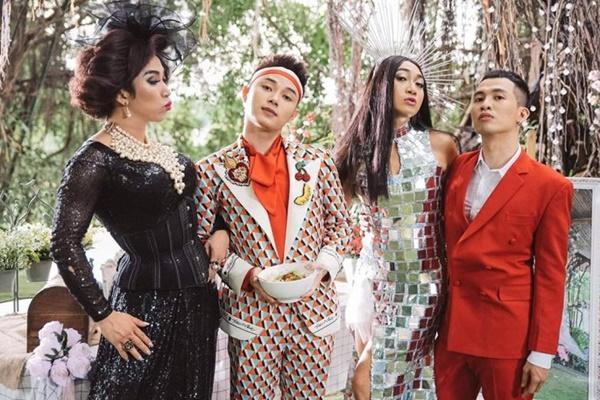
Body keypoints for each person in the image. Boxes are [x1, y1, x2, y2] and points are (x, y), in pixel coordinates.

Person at [50, 3, 228, 399]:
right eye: (153, 79)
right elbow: (63, 242)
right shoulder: (94, 160)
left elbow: (191, 209)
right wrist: (104, 315)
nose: (166, 89)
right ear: (122, 93)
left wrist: (219, 231)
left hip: (199, 306)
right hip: (146, 313)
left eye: (164, 78)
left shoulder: (159, 149)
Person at [195, 54, 351, 399]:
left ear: (293, 113)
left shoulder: (318, 163)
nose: (274, 99)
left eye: (286, 96)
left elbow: (342, 225)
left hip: (313, 312)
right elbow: (199, 245)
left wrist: (323, 267)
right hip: (251, 316)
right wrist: (246, 275)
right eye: (267, 88)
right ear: (245, 92)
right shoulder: (210, 170)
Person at [435, 69, 574, 400]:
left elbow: (551, 275)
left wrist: (542, 352)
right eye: (479, 97)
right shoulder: (456, 169)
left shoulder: (551, 186)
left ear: (521, 114)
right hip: (452, 331)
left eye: (498, 97)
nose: (486, 104)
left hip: (507, 336)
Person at [335, 55, 458, 399]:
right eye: (402, 79)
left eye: (419, 83)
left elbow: (459, 216)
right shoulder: (356, 152)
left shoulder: (441, 146)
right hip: (371, 285)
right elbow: (332, 217)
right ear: (380, 86)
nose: (412, 88)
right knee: (396, 386)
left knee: (366, 381)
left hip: (423, 285)